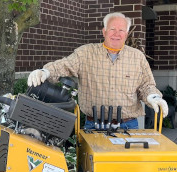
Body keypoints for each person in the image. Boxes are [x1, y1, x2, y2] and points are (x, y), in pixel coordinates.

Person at [27, 12, 168, 130]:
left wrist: (154, 97)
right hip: (93, 125)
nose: (116, 34)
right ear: (104, 31)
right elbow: (64, 65)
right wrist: (45, 72)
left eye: (121, 30)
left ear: (126, 34)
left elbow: (146, 86)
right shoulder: (86, 53)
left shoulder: (137, 57)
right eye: (112, 29)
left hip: (128, 125)